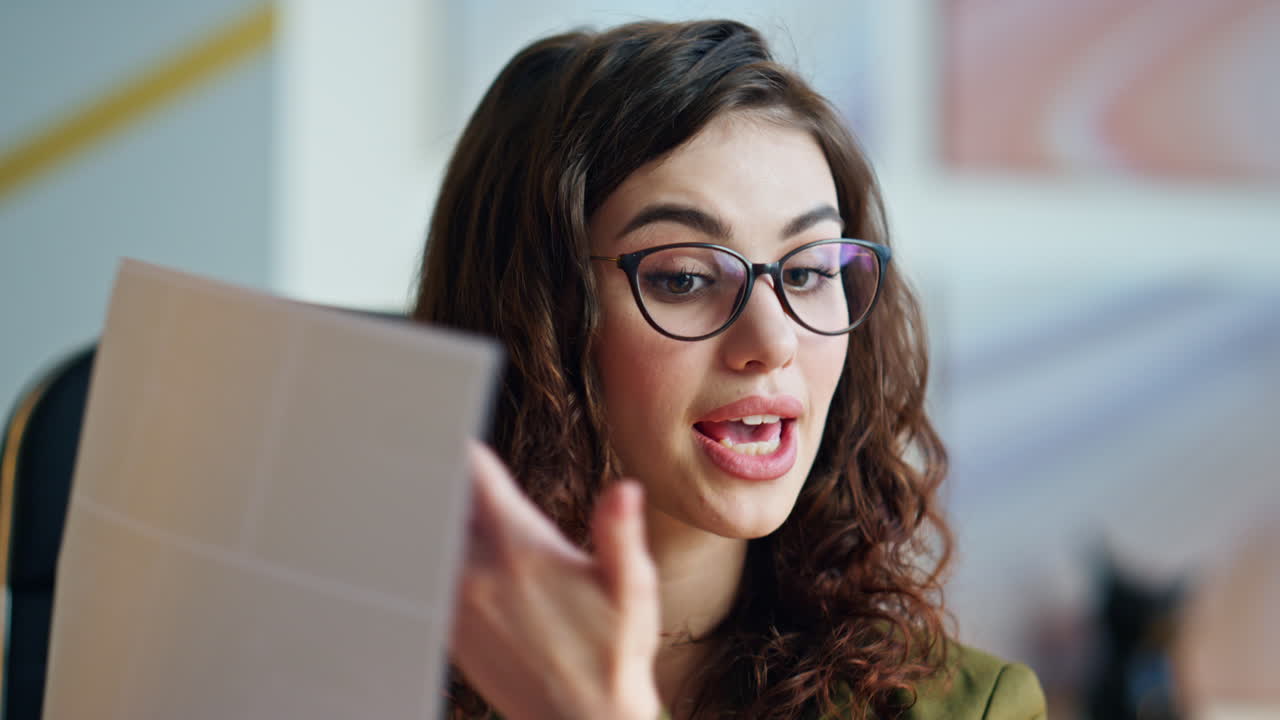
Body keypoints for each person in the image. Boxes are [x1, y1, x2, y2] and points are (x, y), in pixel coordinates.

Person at [413, 18, 1047, 720]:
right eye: (684, 279)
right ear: (533, 316)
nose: (773, 340)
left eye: (807, 271)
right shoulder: (323, 671)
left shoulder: (969, 710)